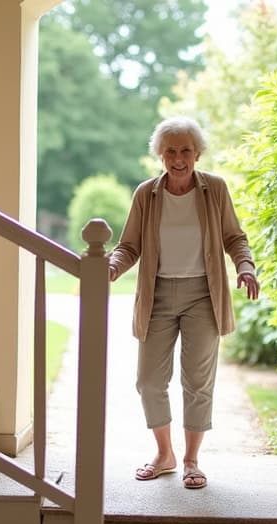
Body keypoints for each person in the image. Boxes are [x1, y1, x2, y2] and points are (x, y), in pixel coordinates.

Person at [108, 116, 260, 490]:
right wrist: (113, 265)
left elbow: (234, 237)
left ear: (197, 153)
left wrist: (246, 267)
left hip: (202, 295)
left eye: (186, 150)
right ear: (160, 154)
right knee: (149, 381)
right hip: (157, 295)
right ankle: (165, 454)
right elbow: (129, 246)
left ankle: (192, 460)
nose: (178, 158)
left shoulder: (214, 190)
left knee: (197, 381)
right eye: (170, 151)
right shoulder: (147, 194)